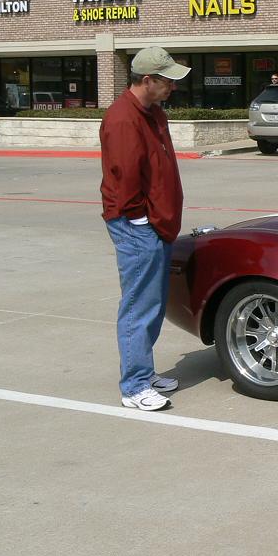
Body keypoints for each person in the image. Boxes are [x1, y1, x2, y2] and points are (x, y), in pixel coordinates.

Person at [99, 46, 191, 412]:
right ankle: (134, 386)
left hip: (156, 224)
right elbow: (123, 178)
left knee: (153, 302)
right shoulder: (123, 119)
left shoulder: (154, 113)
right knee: (139, 305)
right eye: (167, 80)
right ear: (148, 80)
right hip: (137, 226)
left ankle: (144, 372)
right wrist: (141, 222)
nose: (173, 86)